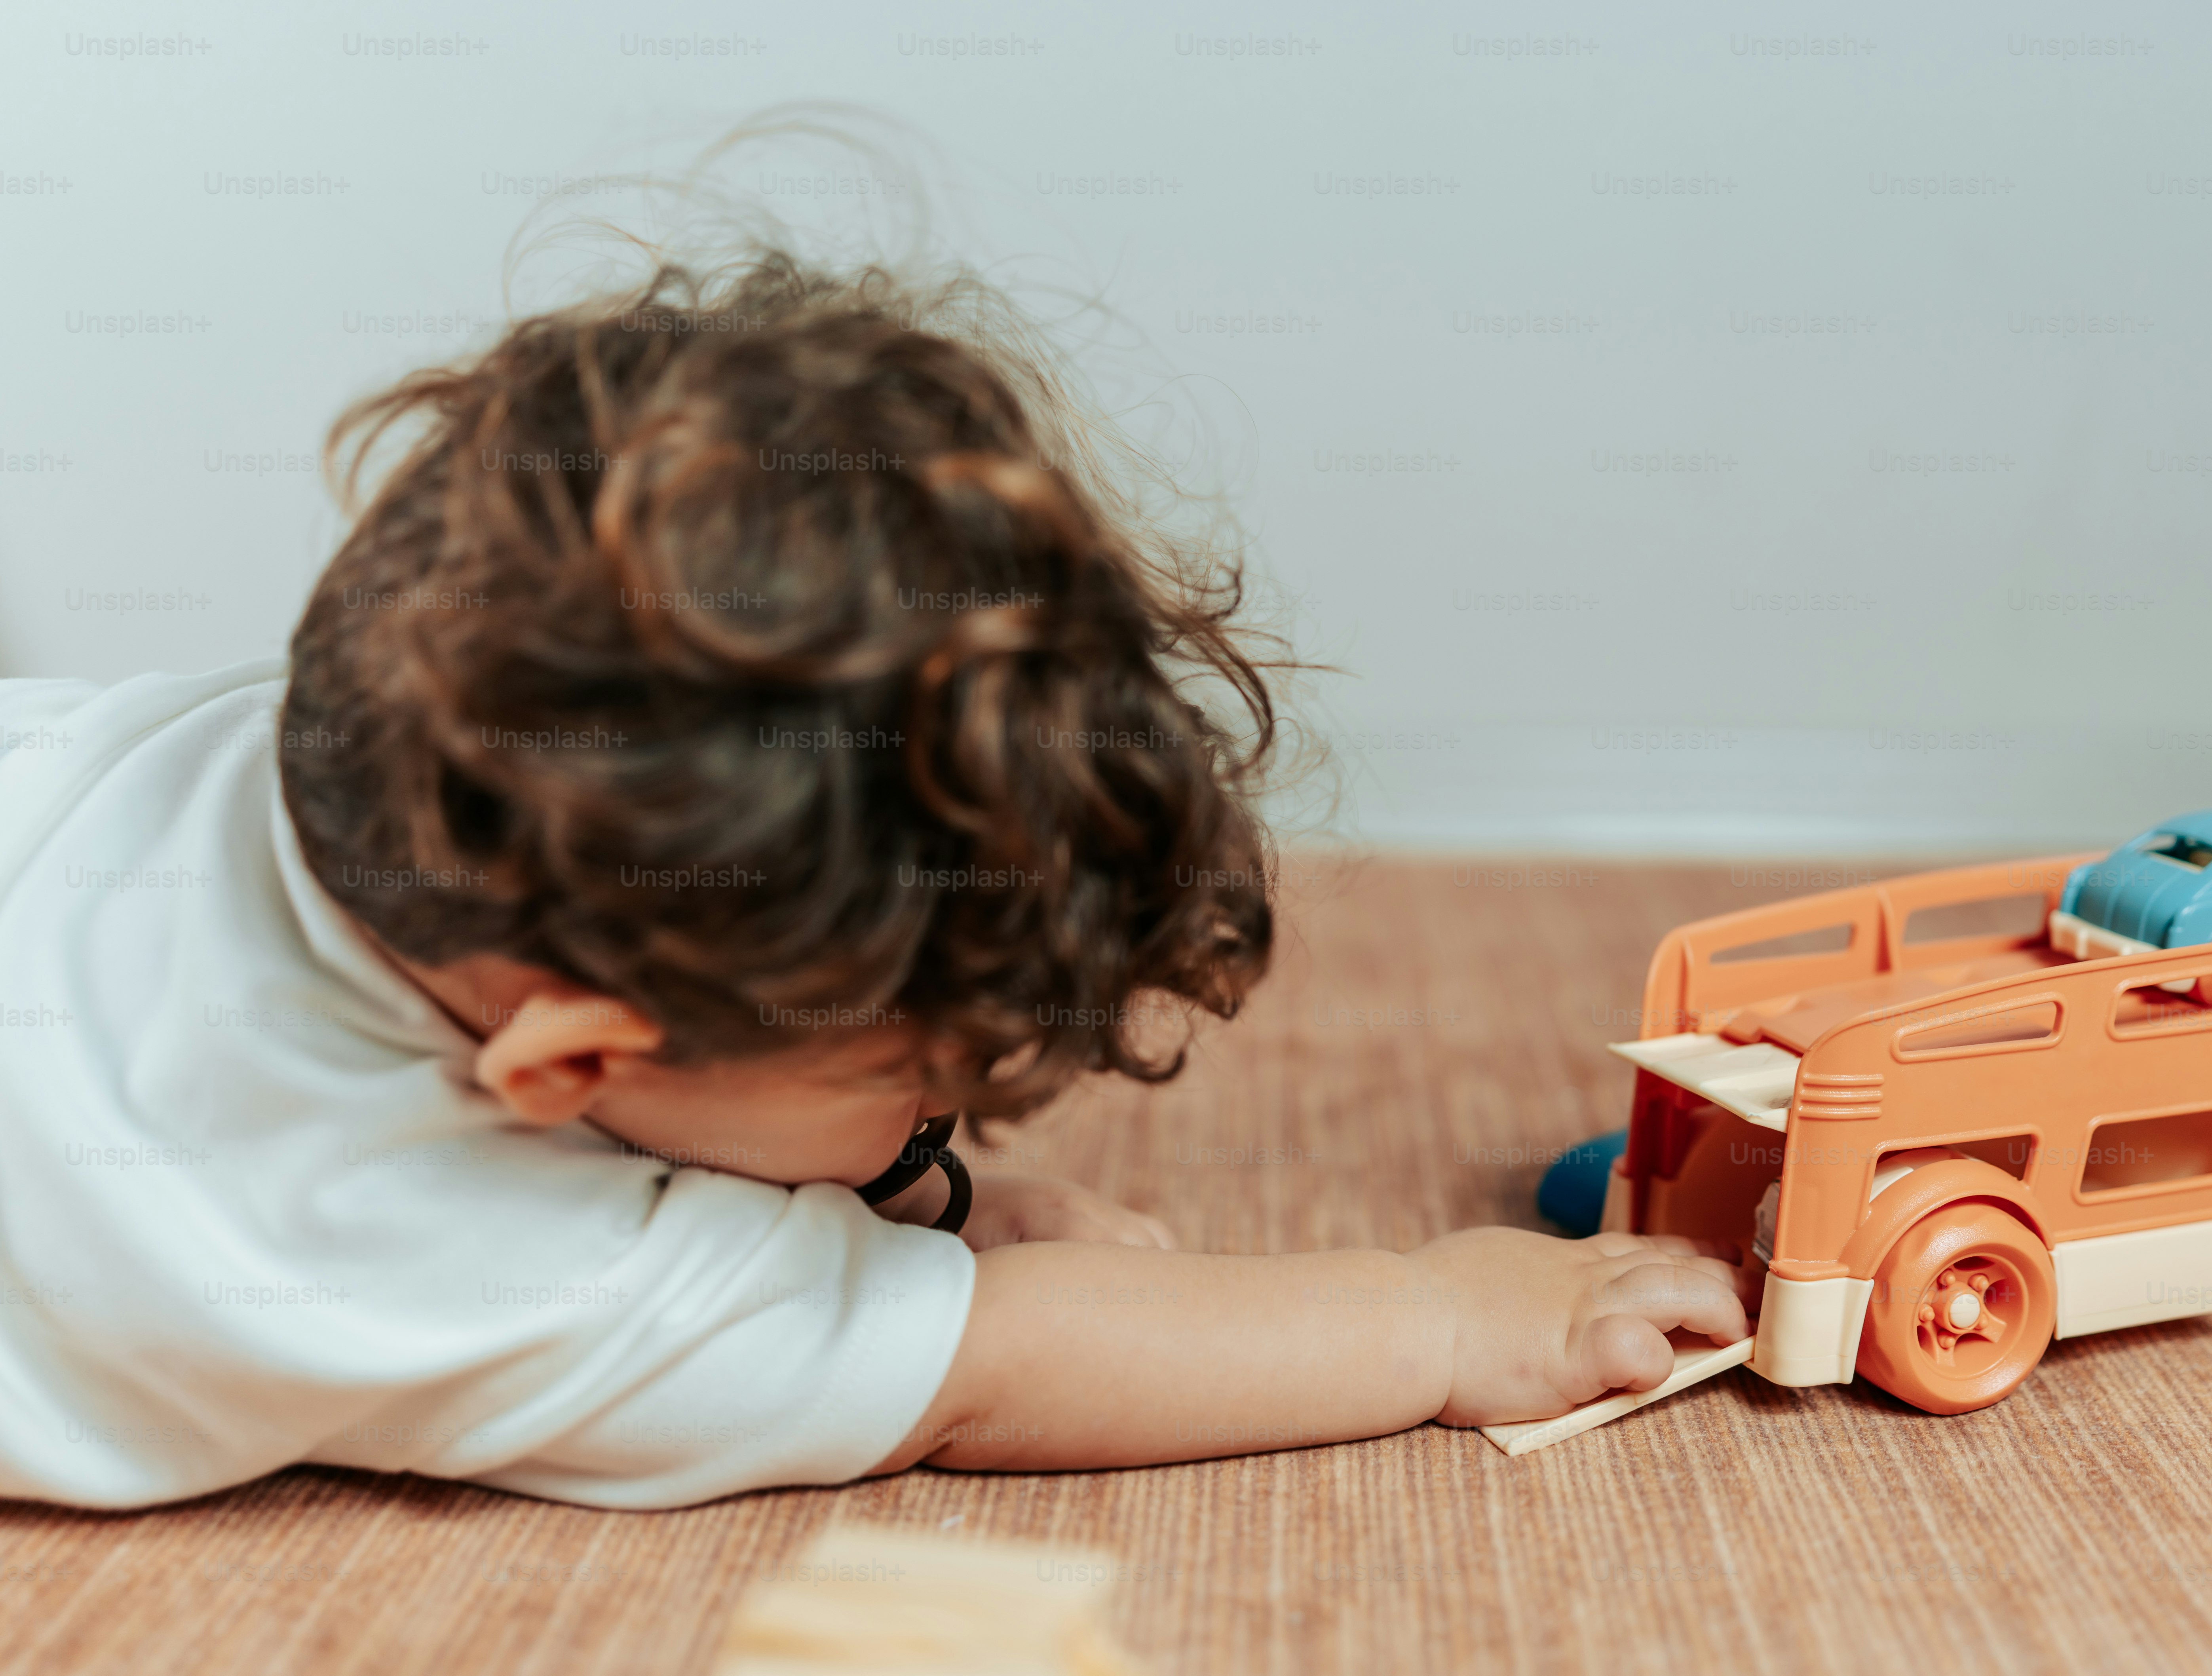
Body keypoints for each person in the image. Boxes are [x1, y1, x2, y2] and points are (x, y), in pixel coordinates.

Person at [0, 253, 1747, 1509]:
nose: (959, 1118)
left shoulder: (351, 743)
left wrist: (907, 1180)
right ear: (567, 1066)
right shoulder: (425, 1249)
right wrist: (1436, 1317)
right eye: (914, 1078)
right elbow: (984, 1373)